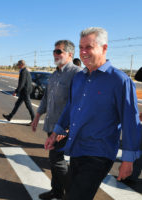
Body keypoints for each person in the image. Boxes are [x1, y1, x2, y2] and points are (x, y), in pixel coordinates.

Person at [45, 27, 141, 200]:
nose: (83, 52)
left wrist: (128, 160)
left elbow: (130, 122)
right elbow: (71, 107)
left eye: (89, 47)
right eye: (81, 47)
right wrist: (57, 131)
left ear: (104, 48)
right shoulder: (79, 78)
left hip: (99, 154)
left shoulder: (120, 80)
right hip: (76, 148)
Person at [32, 40, 81, 200]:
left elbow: (79, 103)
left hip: (64, 128)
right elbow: (46, 98)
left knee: (57, 160)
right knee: (54, 161)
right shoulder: (54, 75)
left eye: (59, 51)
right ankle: (57, 191)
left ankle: (73, 194)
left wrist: (66, 128)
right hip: (51, 125)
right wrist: (37, 116)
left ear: (70, 54)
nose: (55, 54)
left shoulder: (77, 74)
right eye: (54, 51)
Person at [3, 60, 35, 125]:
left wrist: (16, 91)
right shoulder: (25, 71)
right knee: (17, 104)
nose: (17, 66)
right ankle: (10, 116)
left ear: (21, 64)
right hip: (25, 91)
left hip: (25, 91)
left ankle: (34, 120)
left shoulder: (23, 72)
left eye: (18, 64)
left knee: (29, 106)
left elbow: (22, 83)